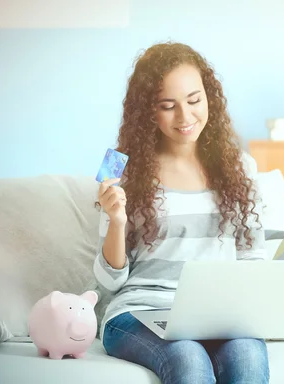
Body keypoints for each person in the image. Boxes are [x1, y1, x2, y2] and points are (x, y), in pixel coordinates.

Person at [93, 41, 270, 384]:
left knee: (248, 355)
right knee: (187, 356)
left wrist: (250, 312)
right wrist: (116, 222)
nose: (185, 117)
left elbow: (253, 259)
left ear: (209, 98)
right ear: (147, 110)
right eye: (168, 106)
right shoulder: (116, 167)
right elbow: (108, 281)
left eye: (194, 100)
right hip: (138, 312)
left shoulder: (241, 168)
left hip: (218, 314)